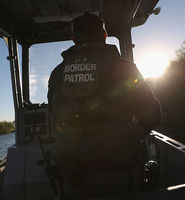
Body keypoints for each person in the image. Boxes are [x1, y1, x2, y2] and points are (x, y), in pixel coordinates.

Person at [47, 12, 162, 198]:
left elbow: (55, 115)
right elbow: (154, 115)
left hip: (70, 174)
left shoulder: (57, 74)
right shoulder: (126, 68)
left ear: (74, 39)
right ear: (104, 36)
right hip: (120, 171)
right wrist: (135, 132)